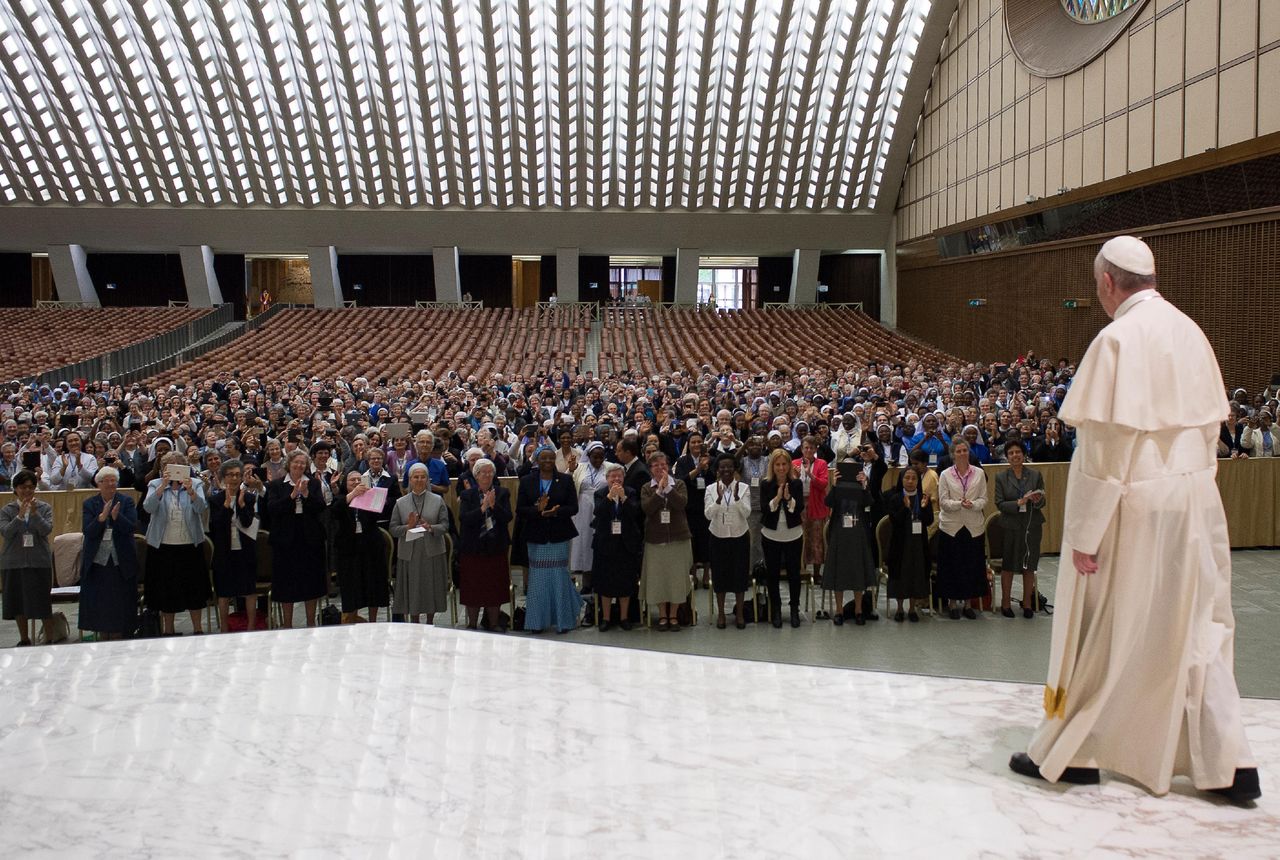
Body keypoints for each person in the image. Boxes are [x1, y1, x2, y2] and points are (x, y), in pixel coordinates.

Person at [1012, 235, 1260, 805]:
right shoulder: (1191, 332)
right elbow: (1209, 430)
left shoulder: (1117, 339)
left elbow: (1104, 450)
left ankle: (1075, 750)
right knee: (1198, 627)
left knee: (1102, 627)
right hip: (1196, 500)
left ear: (1106, 282)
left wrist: (1084, 534)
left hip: (1134, 506)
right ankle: (1229, 762)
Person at [141, 451, 210, 635]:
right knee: (166, 589)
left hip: (189, 544)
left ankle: (197, 629)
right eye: (170, 466)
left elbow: (201, 508)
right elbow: (148, 507)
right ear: (164, 469)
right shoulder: (155, 484)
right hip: (163, 545)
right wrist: (162, 486)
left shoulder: (195, 483)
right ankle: (168, 630)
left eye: (178, 465)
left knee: (194, 588)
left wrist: (191, 492)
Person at [516, 447, 581, 633]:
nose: (547, 461)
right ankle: (537, 622)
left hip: (559, 535)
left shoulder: (566, 480)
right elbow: (520, 510)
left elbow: (573, 508)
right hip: (536, 536)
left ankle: (563, 620)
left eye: (551, 458)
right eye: (543, 458)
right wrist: (538, 510)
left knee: (559, 577)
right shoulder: (527, 481)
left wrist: (556, 512)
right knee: (537, 580)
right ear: (537, 460)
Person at [266, 450, 328, 628]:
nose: (299, 466)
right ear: (289, 464)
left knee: (311, 582)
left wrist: (306, 494)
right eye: (296, 463)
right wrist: (292, 496)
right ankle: (287, 624)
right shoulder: (277, 485)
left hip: (309, 538)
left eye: (302, 463)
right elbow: (272, 509)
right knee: (287, 582)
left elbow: (320, 507)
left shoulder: (314, 483)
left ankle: (310, 622)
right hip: (285, 539)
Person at [78, 467, 139, 640]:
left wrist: (116, 517)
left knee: (121, 602)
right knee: (101, 602)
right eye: (108, 481)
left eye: (114, 481)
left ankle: (121, 635)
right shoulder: (90, 504)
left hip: (121, 560)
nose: (112, 485)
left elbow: (131, 527)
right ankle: (102, 635)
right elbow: (88, 531)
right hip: (98, 562)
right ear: (99, 484)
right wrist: (102, 518)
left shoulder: (126, 502)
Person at [389, 463, 450, 624]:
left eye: (423, 477)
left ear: (427, 479)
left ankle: (430, 622)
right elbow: (393, 529)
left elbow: (445, 526)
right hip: (410, 552)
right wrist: (407, 527)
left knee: (431, 588)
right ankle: (414, 622)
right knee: (413, 589)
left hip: (432, 551)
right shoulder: (400, 502)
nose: (419, 480)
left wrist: (430, 527)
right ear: (410, 479)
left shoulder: (437, 501)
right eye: (416, 477)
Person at [456, 458, 512, 631]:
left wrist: (494, 506)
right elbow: (464, 519)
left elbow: (507, 518)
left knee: (494, 588)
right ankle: (472, 623)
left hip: (495, 546)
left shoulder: (502, 493)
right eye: (483, 472)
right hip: (473, 548)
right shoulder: (467, 495)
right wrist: (482, 509)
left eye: (490, 472)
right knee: (473, 588)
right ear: (476, 475)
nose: (487, 475)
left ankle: (493, 623)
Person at [640, 452, 693, 631]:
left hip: (679, 539)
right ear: (650, 469)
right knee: (659, 578)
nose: (660, 468)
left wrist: (668, 490)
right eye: (656, 466)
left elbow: (681, 504)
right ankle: (662, 614)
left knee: (677, 578)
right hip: (655, 540)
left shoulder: (678, 484)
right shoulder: (647, 487)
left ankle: (674, 615)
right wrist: (658, 492)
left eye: (663, 465)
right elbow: (647, 508)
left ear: (668, 467)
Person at [935, 439, 987, 620]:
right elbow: (943, 502)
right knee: (952, 565)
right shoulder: (945, 475)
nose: (963, 454)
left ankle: (967, 603)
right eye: (959, 451)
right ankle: (952, 603)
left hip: (974, 526)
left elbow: (983, 499)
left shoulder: (979, 473)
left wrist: (972, 504)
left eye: (965, 450)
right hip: (951, 527)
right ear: (953, 454)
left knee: (971, 566)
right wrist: (959, 504)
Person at [207, 459, 261, 633]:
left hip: (245, 550)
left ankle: (251, 626)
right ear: (223, 477)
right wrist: (226, 508)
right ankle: (224, 628)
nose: (234, 478)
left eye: (237, 475)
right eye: (230, 475)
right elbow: (216, 525)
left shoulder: (249, 496)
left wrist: (242, 505)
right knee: (224, 592)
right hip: (224, 551)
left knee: (249, 590)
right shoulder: (216, 499)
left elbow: (247, 522)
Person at [0, 471, 53, 645]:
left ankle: (50, 637)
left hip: (39, 561)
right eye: (23, 487)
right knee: (18, 601)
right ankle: (24, 638)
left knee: (42, 601)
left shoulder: (44, 507)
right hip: (13, 562)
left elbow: (46, 530)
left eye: (31, 487)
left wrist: (35, 514)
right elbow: (6, 532)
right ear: (16, 489)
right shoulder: (7, 510)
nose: (27, 491)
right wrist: (20, 516)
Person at [994, 440, 1045, 619]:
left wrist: (1037, 500)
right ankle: (1006, 603)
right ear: (1007, 457)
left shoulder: (1035, 474)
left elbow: (1043, 500)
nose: (1015, 455)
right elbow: (999, 503)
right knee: (1008, 565)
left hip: (1032, 525)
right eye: (1011, 453)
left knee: (1029, 565)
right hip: (1010, 526)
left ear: (1024, 455)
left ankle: (1028, 604)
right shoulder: (1001, 477)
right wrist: (1018, 503)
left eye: (1018, 452)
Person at [823, 464, 878, 626]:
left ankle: (859, 610)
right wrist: (833, 484)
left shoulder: (859, 488)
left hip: (857, 533)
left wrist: (864, 485)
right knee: (838, 571)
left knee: (857, 571)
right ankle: (839, 611)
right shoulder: (838, 487)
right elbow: (828, 502)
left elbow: (869, 502)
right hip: (839, 533)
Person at [333, 471, 390, 624]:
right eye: (352, 480)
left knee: (373, 584)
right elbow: (335, 512)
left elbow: (380, 515)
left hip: (371, 546)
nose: (356, 481)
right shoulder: (341, 498)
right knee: (352, 586)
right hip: (349, 548)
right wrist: (353, 494)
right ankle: (352, 619)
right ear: (346, 483)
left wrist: (375, 499)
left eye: (359, 479)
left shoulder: (371, 496)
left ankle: (373, 621)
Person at [591, 462, 641, 631]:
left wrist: (624, 498)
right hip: (605, 544)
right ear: (607, 479)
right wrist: (610, 497)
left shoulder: (631, 492)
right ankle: (605, 618)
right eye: (613, 476)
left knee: (626, 581)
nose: (616, 479)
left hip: (626, 544)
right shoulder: (600, 493)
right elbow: (598, 512)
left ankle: (624, 617)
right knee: (605, 581)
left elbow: (635, 512)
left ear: (624, 478)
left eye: (619, 476)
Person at [759, 447, 805, 628]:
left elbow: (799, 507)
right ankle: (776, 609)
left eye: (784, 464)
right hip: (771, 535)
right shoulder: (766, 484)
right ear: (773, 466)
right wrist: (777, 498)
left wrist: (788, 499)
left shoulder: (796, 484)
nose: (781, 468)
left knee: (794, 574)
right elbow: (765, 508)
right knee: (773, 575)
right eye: (777, 464)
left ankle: (794, 609)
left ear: (789, 465)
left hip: (793, 535)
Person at [704, 455, 751, 629]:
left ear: (735, 469)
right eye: (722, 468)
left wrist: (737, 498)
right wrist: (718, 499)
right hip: (718, 536)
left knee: (740, 575)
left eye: (729, 467)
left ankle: (739, 613)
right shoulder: (710, 489)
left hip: (739, 536)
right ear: (717, 470)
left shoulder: (744, 488)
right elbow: (708, 514)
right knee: (720, 576)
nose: (726, 470)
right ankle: (721, 614)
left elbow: (746, 513)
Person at [884, 467, 932, 622]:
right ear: (902, 480)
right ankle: (899, 608)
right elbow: (894, 520)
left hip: (919, 543)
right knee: (900, 573)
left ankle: (912, 608)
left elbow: (929, 521)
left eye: (914, 478)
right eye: (907, 478)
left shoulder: (923, 497)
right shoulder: (895, 498)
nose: (910, 481)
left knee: (916, 573)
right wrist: (905, 508)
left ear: (918, 481)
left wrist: (924, 509)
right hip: (900, 543)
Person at [674, 432, 712, 589]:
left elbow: (714, 479)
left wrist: (707, 468)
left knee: (706, 541)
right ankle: (693, 573)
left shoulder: (710, 459)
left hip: (706, 505)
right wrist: (697, 469)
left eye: (699, 442)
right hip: (689, 507)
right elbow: (679, 481)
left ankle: (706, 575)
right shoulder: (683, 461)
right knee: (692, 542)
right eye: (693, 442)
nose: (696, 445)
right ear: (688, 444)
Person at [568, 442, 608, 589]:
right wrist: (571, 471)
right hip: (583, 510)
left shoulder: (610, 467)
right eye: (595, 457)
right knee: (584, 544)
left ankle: (601, 581)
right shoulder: (580, 467)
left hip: (603, 508)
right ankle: (586, 581)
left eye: (601, 457)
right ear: (589, 456)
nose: (598, 460)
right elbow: (569, 482)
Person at [793, 436, 829, 587]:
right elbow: (790, 484)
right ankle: (801, 570)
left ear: (815, 450)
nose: (808, 450)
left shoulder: (821, 464)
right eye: (806, 448)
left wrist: (809, 474)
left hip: (816, 503)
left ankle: (816, 572)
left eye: (811, 448)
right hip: (799, 504)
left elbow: (823, 484)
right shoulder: (794, 463)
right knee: (800, 538)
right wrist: (795, 476)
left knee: (816, 538)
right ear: (801, 449)